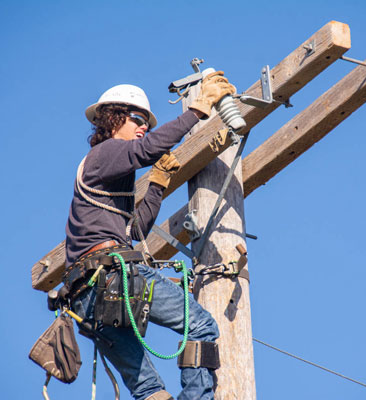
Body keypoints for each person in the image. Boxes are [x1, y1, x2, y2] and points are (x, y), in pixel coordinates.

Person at [63, 73, 236, 400]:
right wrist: (196, 110)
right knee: (200, 326)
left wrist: (156, 185)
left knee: (149, 389)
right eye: (137, 119)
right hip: (110, 279)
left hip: (86, 298)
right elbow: (147, 149)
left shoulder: (111, 176)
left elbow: (136, 232)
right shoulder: (106, 153)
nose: (144, 127)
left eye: (146, 122)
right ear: (113, 118)